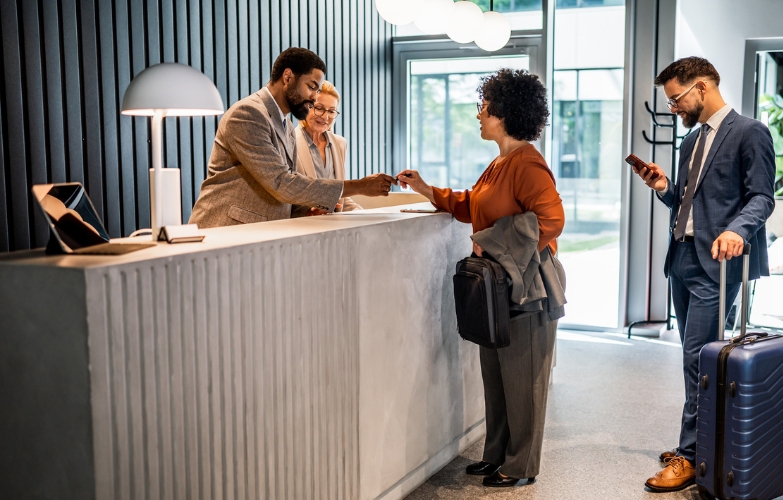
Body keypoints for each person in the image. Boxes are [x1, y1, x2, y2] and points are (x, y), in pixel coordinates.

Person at [397, 68, 564, 488]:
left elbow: (551, 220)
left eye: (483, 108)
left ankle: (521, 465)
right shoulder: (500, 162)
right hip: (501, 286)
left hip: (529, 288)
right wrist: (428, 190)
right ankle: (497, 455)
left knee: (524, 381)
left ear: (503, 112)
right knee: (498, 376)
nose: (478, 115)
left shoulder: (527, 162)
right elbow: (474, 203)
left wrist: (491, 241)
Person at [630, 57, 775, 492]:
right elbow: (688, 203)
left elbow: (762, 198)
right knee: (695, 360)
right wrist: (663, 188)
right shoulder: (691, 141)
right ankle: (700, 441)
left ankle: (691, 455)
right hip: (683, 259)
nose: (674, 108)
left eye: (676, 99)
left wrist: (737, 229)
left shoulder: (750, 132)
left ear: (702, 87)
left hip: (719, 263)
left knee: (699, 359)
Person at [189, 48, 393, 228]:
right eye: (312, 87)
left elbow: (281, 194)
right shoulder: (248, 113)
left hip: (259, 235)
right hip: (224, 231)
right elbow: (281, 182)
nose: (314, 98)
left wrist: (304, 211)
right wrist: (360, 186)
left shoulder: (286, 125)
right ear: (287, 77)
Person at [294, 81, 361, 212]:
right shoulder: (290, 143)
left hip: (334, 228)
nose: (325, 117)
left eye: (331, 111)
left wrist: (367, 216)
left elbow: (339, 195)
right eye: (319, 108)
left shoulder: (340, 144)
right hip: (302, 226)